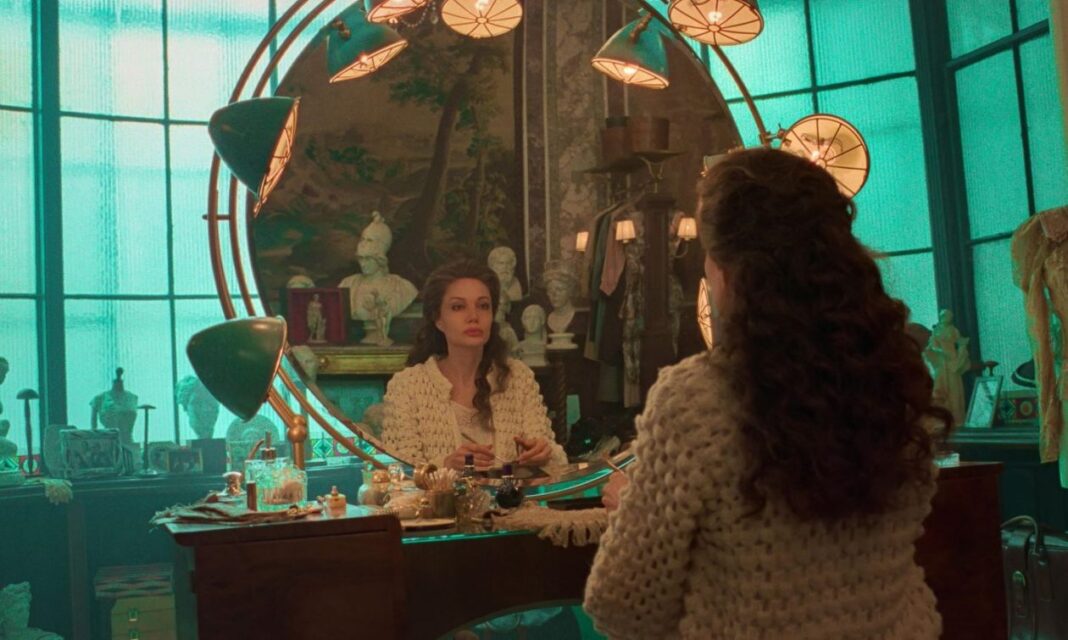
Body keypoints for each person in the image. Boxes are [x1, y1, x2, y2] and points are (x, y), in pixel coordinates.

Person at [583, 148, 951, 639]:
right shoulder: (895, 380)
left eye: (708, 256)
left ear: (732, 274)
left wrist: (632, 510)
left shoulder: (697, 400)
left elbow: (624, 606)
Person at [381, 259, 567, 470]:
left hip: (512, 493)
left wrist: (543, 454)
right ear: (438, 319)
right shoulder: (407, 386)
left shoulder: (517, 377)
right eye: (458, 307)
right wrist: (446, 465)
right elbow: (398, 473)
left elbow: (555, 459)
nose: (473, 317)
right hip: (442, 493)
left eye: (483, 306)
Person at [337, 212, 418, 346]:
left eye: (368, 259)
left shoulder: (402, 287)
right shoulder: (348, 284)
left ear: (380, 260)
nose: (363, 264)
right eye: (361, 259)